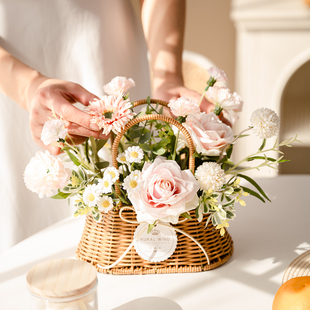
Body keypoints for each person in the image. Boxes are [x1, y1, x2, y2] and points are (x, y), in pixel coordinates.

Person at [0, 0, 212, 254]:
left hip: (110, 55)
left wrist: (167, 75)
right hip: (10, 84)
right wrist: (26, 87)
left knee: (132, 241)